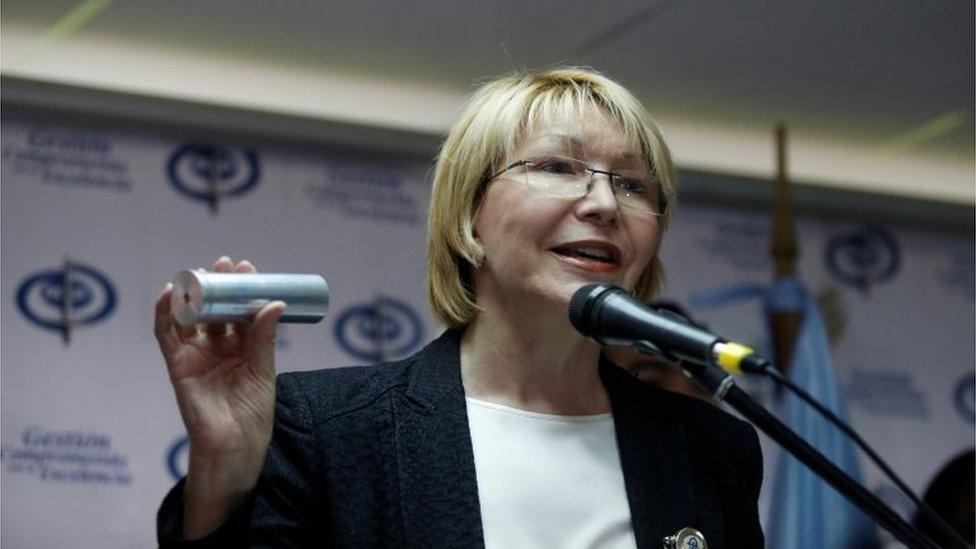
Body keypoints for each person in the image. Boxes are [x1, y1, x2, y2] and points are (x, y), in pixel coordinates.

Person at [155, 67, 764, 548]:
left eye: (633, 184)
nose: (604, 202)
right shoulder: (327, 428)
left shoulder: (709, 448)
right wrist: (225, 477)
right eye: (558, 166)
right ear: (468, 221)